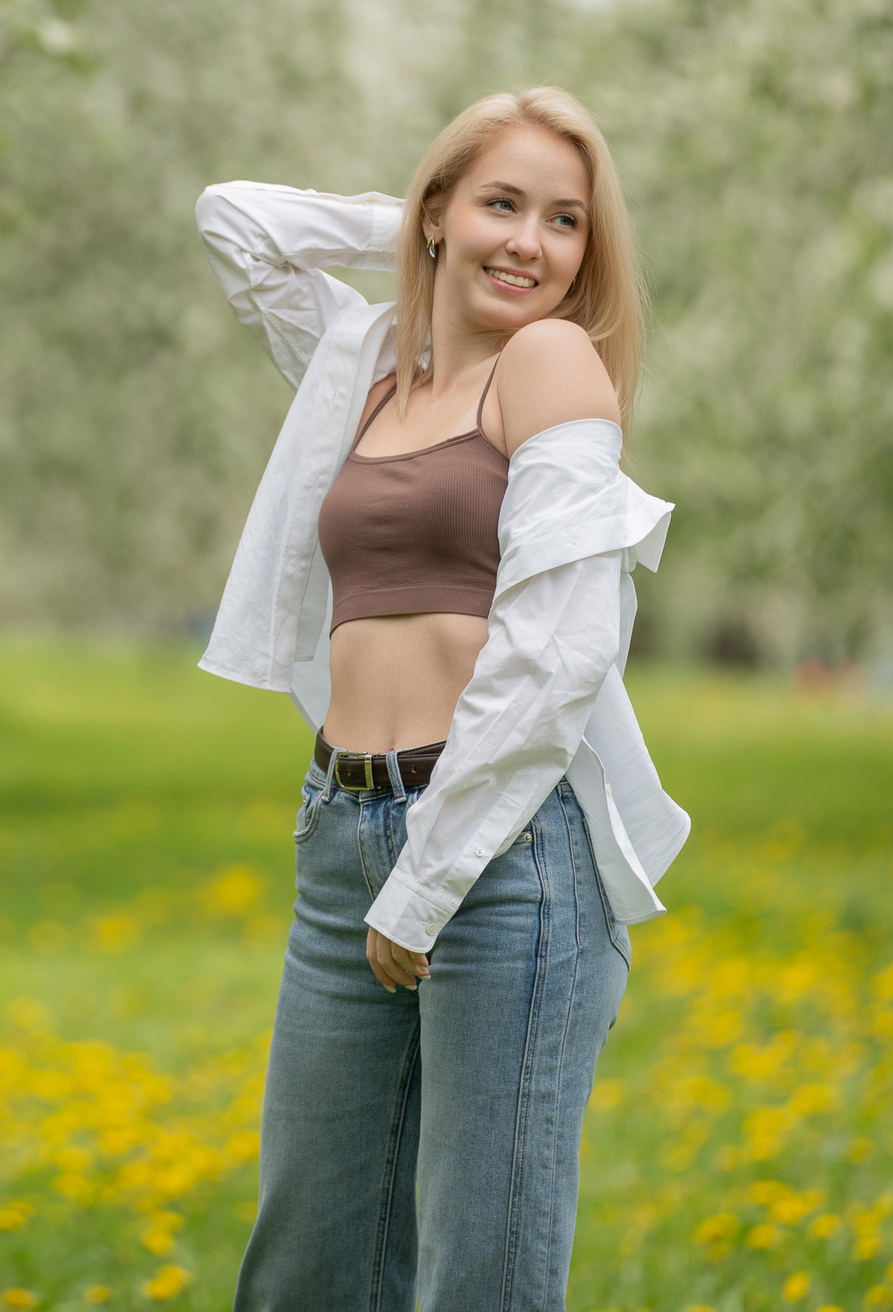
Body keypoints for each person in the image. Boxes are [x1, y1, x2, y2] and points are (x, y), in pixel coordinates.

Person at [195, 87, 688, 1311]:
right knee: (305, 1269)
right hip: (339, 828)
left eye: (564, 221)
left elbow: (558, 653)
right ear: (435, 212)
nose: (531, 242)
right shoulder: (367, 364)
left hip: (500, 855)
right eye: (500, 204)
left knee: (480, 1278)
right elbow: (236, 220)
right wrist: (427, 228)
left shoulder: (549, 362)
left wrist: (426, 880)